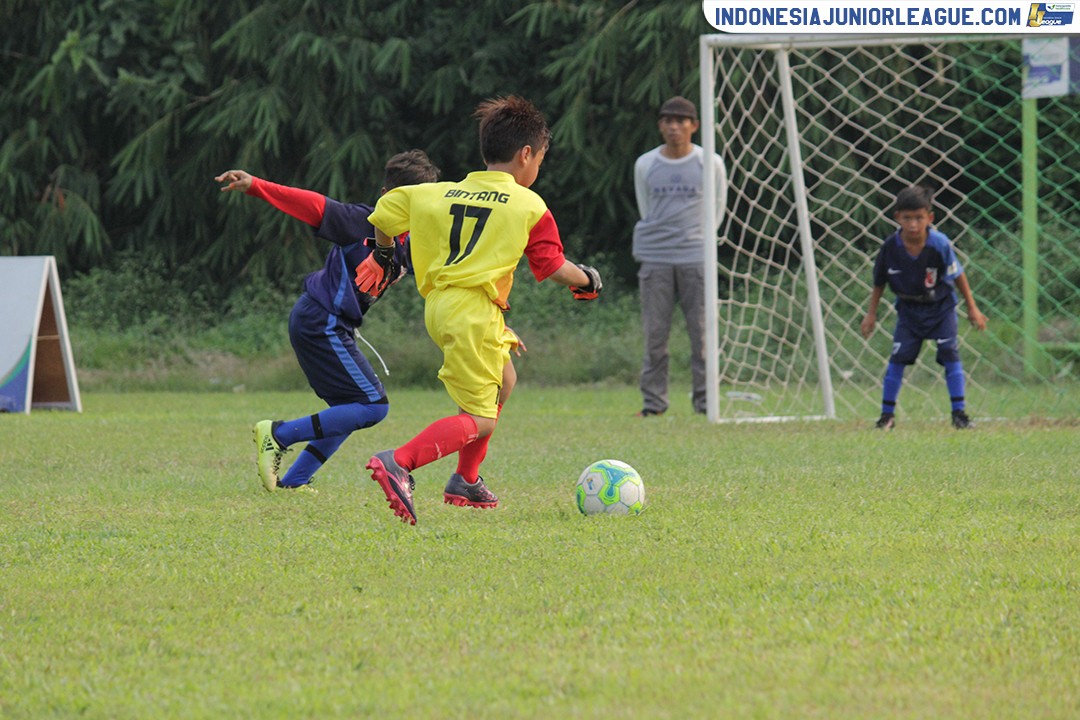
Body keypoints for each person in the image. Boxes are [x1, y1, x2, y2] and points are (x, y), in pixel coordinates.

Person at [354, 96, 602, 525]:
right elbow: (552, 268)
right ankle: (399, 462)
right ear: (527, 154)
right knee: (480, 419)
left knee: (505, 379)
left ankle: (466, 480)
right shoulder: (530, 205)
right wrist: (588, 280)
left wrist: (383, 253)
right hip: (471, 311)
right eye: (540, 158)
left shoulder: (430, 193)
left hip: (442, 305)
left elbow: (383, 213)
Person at [214, 150, 441, 492]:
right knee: (373, 406)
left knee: (349, 408)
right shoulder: (362, 221)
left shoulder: (411, 244)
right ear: (387, 198)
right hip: (321, 320)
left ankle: (293, 483)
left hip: (330, 324)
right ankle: (277, 434)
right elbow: (313, 205)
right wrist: (256, 186)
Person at [860, 185, 987, 430]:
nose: (913, 225)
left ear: (930, 217)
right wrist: (871, 314)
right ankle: (887, 416)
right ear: (897, 217)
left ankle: (959, 415)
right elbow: (879, 282)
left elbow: (958, 275)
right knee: (897, 359)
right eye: (907, 218)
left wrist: (973, 308)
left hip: (941, 308)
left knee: (950, 354)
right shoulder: (889, 248)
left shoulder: (939, 244)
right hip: (908, 311)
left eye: (919, 218)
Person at [632, 95, 727, 417]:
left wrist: (699, 243)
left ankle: (706, 403)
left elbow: (717, 209)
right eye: (668, 121)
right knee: (655, 335)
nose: (674, 127)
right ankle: (653, 405)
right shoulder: (646, 163)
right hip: (655, 257)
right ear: (661, 126)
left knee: (702, 335)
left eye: (681, 121)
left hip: (696, 258)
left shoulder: (709, 162)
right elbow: (645, 208)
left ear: (694, 126)